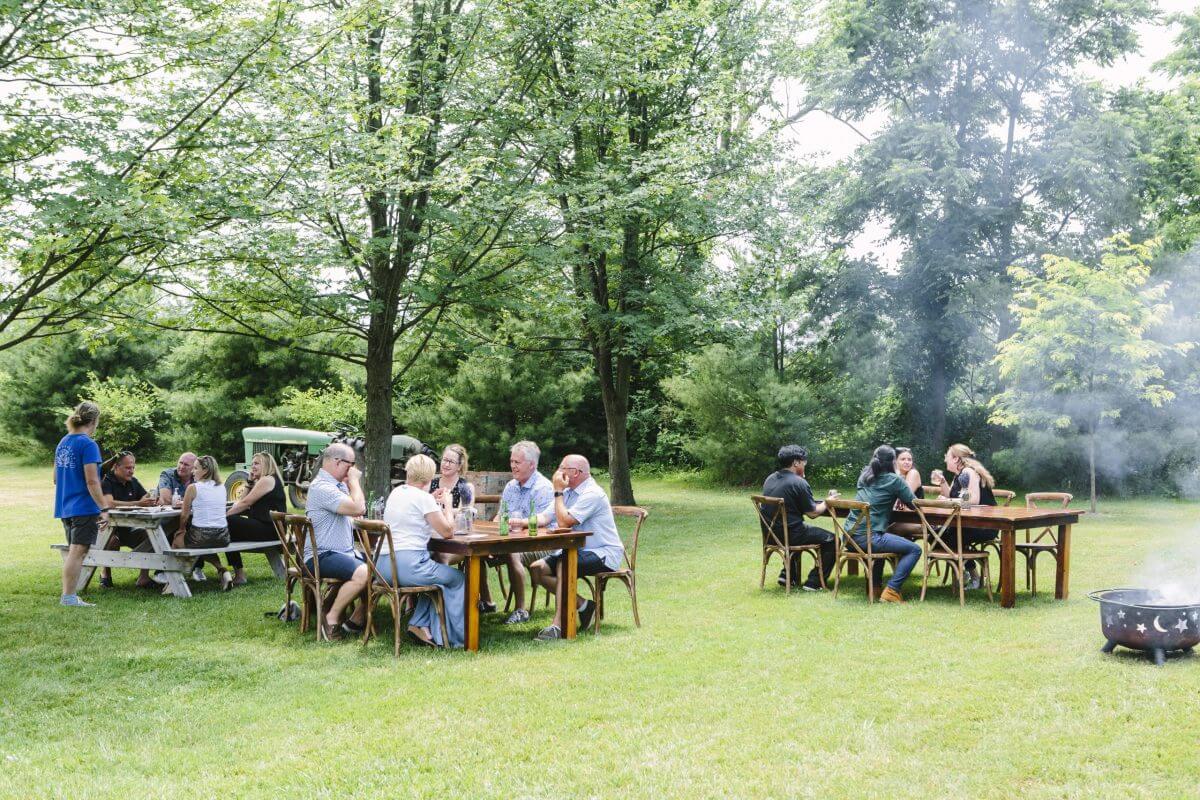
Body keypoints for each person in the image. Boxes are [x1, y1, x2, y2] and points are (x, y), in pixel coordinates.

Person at [529, 454, 625, 641]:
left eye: (562, 468)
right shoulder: (569, 491)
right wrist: (519, 522)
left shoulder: (592, 493)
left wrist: (557, 492)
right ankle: (584, 605)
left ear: (575, 473)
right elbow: (545, 517)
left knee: (564, 564)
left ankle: (559, 626)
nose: (558, 472)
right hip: (575, 550)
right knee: (537, 569)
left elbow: (564, 522)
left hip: (603, 552)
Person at [379, 453, 463, 647]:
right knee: (458, 579)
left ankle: (420, 624)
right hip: (407, 568)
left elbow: (413, 510)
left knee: (437, 579)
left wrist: (430, 500)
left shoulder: (397, 492)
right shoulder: (424, 499)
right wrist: (448, 506)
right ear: (430, 477)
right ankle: (453, 638)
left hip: (382, 567)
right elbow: (448, 531)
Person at [483, 441, 556, 625]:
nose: (513, 466)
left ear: (532, 464)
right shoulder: (510, 486)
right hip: (510, 541)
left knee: (512, 552)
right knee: (475, 552)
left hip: (544, 545)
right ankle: (486, 602)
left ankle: (520, 610)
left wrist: (518, 526)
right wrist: (493, 533)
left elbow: (542, 525)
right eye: (511, 461)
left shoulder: (543, 488)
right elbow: (500, 516)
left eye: (517, 462)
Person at [841, 445, 922, 603]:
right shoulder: (895, 480)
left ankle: (874, 587)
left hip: (849, 537)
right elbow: (915, 505)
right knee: (915, 549)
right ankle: (892, 591)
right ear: (893, 462)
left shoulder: (864, 476)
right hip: (868, 538)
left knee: (882, 541)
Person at [304, 443, 369, 640]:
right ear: (337, 462)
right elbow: (359, 508)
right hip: (321, 555)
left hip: (341, 553)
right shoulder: (322, 488)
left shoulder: (336, 486)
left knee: (382, 567)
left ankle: (356, 619)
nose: (353, 470)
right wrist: (355, 483)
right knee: (364, 572)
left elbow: (354, 512)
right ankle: (331, 618)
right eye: (351, 465)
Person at [54, 401, 112, 607]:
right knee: (78, 552)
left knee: (74, 551)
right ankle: (68, 597)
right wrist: (104, 508)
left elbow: (55, 478)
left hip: (65, 506)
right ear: (94, 421)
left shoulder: (64, 442)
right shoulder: (88, 444)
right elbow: (92, 481)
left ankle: (69, 596)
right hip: (83, 507)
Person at [759, 445, 836, 591]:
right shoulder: (798, 482)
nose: (805, 465)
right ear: (796, 463)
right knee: (832, 540)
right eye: (804, 462)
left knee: (799, 528)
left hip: (771, 535)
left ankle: (788, 575)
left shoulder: (770, 479)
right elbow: (813, 513)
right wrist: (828, 501)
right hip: (791, 535)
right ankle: (815, 582)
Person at [932, 442, 997, 589]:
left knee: (946, 536)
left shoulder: (969, 472)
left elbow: (971, 500)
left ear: (955, 459)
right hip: (969, 523)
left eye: (947, 456)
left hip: (985, 525)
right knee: (935, 535)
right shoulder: (959, 476)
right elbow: (952, 495)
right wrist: (942, 482)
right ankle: (964, 570)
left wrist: (948, 500)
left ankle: (973, 575)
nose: (945, 460)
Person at [223, 451, 287, 586]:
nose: (253, 467)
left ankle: (239, 574)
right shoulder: (264, 480)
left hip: (270, 529)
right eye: (252, 464)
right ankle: (239, 574)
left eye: (257, 463)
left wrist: (223, 517)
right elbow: (241, 502)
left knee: (227, 522)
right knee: (228, 529)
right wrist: (249, 482)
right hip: (270, 528)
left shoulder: (267, 480)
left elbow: (245, 503)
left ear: (267, 465)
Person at [98, 451, 156, 589]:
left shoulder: (133, 482)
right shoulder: (106, 481)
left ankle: (143, 577)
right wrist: (138, 503)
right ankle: (105, 574)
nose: (131, 471)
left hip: (128, 528)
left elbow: (144, 498)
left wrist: (151, 499)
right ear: (116, 467)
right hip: (107, 527)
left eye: (133, 467)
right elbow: (109, 503)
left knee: (149, 535)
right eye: (128, 468)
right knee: (111, 541)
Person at [175, 455, 233, 591]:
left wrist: (181, 530)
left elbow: (184, 515)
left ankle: (174, 581)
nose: (192, 472)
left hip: (201, 536)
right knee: (204, 545)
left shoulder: (193, 488)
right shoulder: (222, 487)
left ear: (205, 470)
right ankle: (222, 570)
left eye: (195, 468)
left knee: (177, 541)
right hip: (223, 537)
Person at [887, 446, 925, 540]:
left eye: (909, 459)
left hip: (917, 521)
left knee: (883, 530)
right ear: (895, 461)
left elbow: (903, 497)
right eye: (903, 459)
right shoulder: (895, 476)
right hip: (900, 518)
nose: (907, 462)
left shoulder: (913, 473)